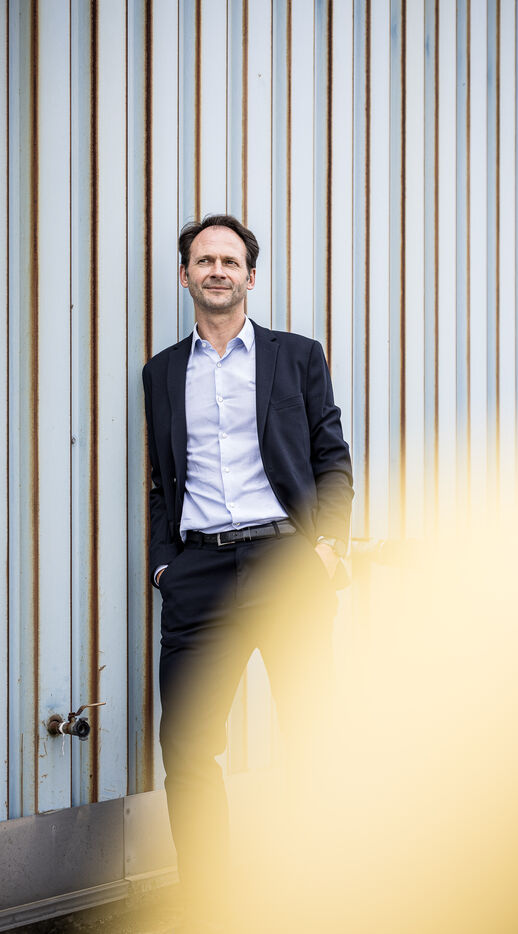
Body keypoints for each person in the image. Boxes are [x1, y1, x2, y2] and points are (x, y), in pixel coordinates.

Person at [142, 214, 353, 932]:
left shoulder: (297, 357)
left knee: (310, 732)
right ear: (185, 276)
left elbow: (332, 460)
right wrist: (164, 566)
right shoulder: (161, 372)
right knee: (187, 747)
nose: (217, 270)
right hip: (198, 571)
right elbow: (163, 483)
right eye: (204, 260)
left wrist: (327, 551)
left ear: (250, 277)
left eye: (229, 261)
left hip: (286, 563)